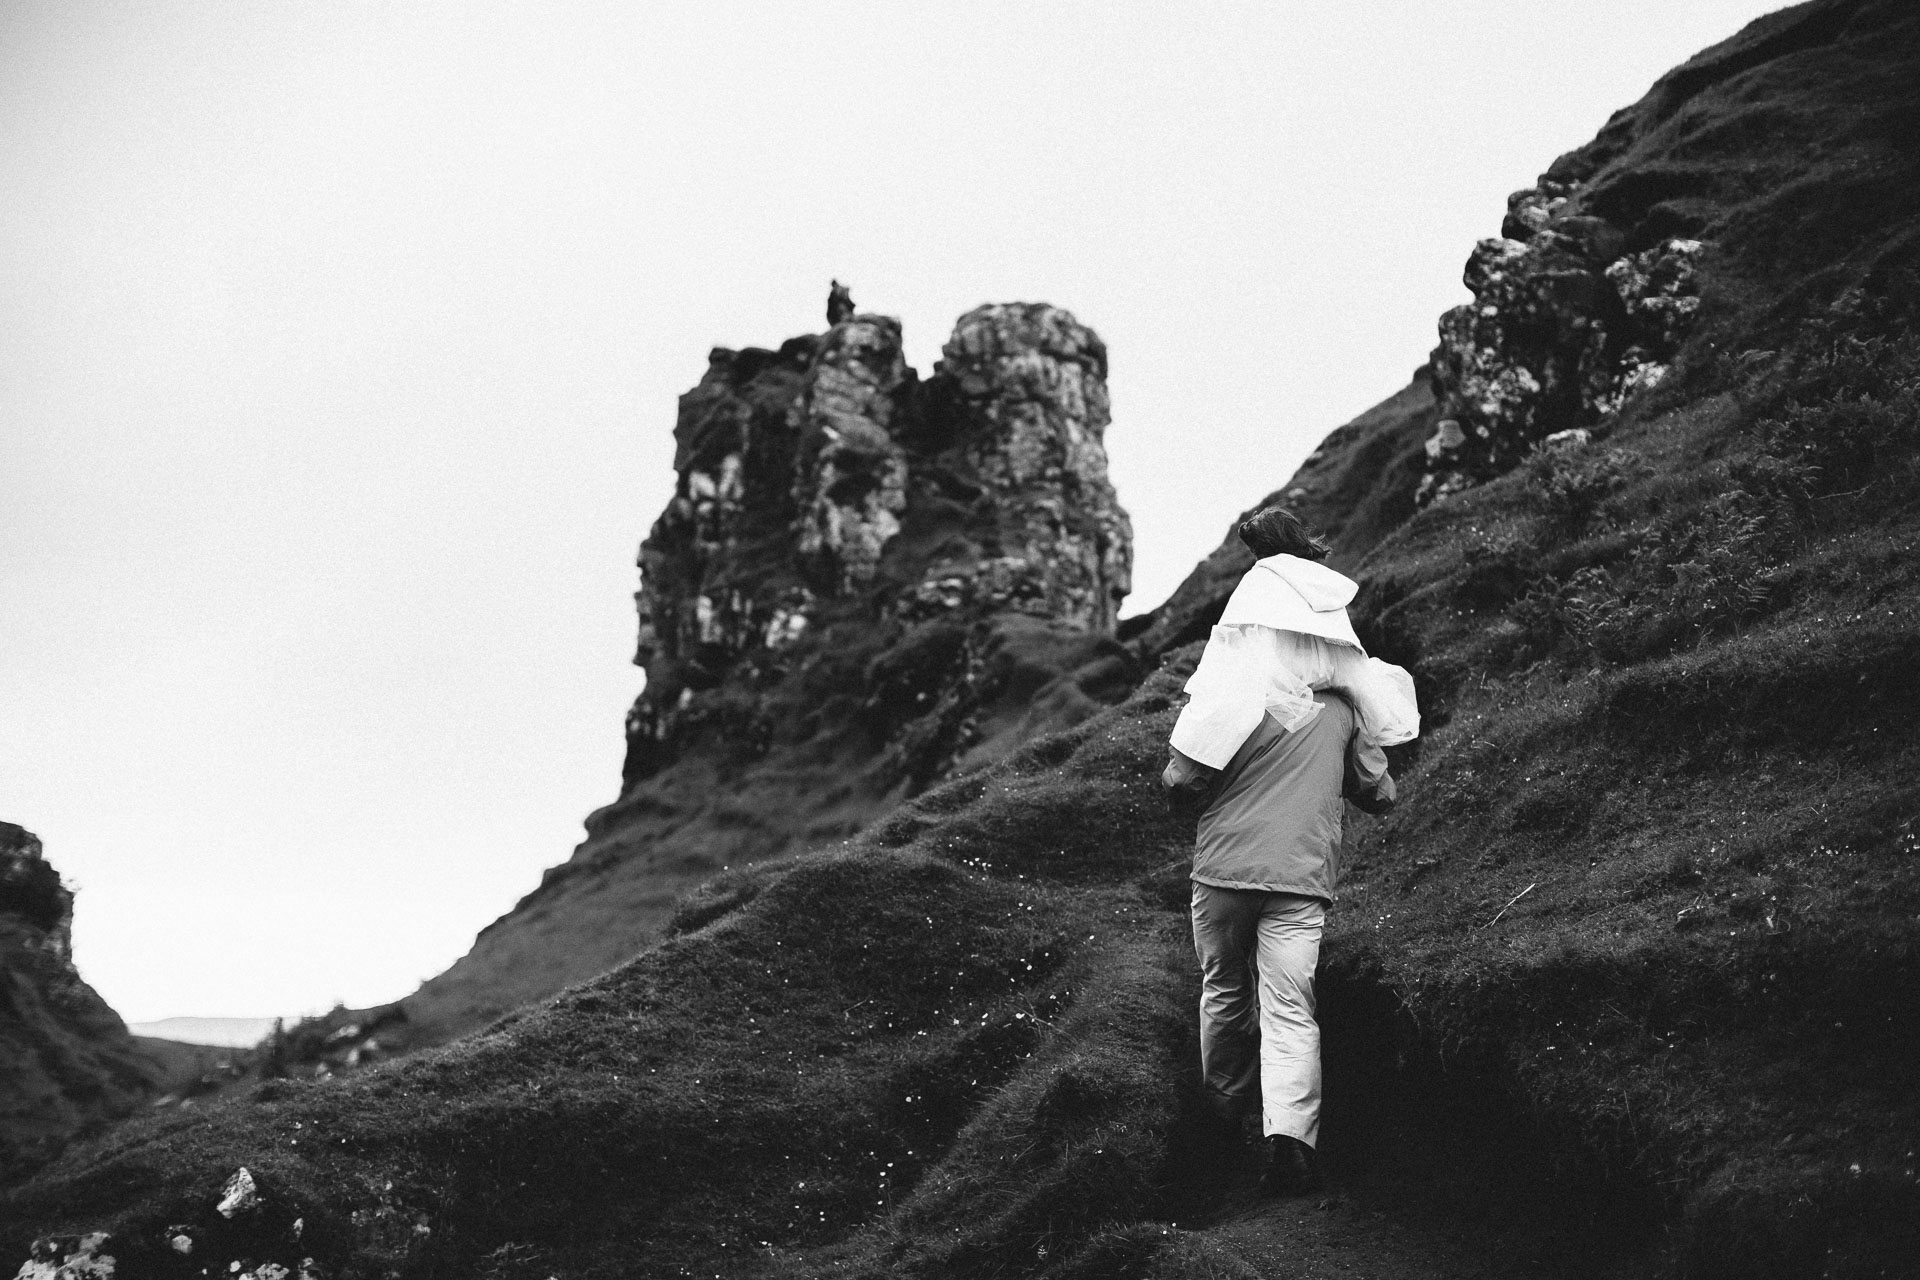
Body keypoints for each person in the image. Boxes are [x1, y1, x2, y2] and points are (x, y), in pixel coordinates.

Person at [1162, 506, 1405, 1196]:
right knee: (1290, 1005)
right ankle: (1289, 1146)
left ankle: (1219, 1117)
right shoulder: (1345, 706)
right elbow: (1379, 793)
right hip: (1300, 877)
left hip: (1224, 871)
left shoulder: (1234, 689)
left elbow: (1181, 776)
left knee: (1223, 990)